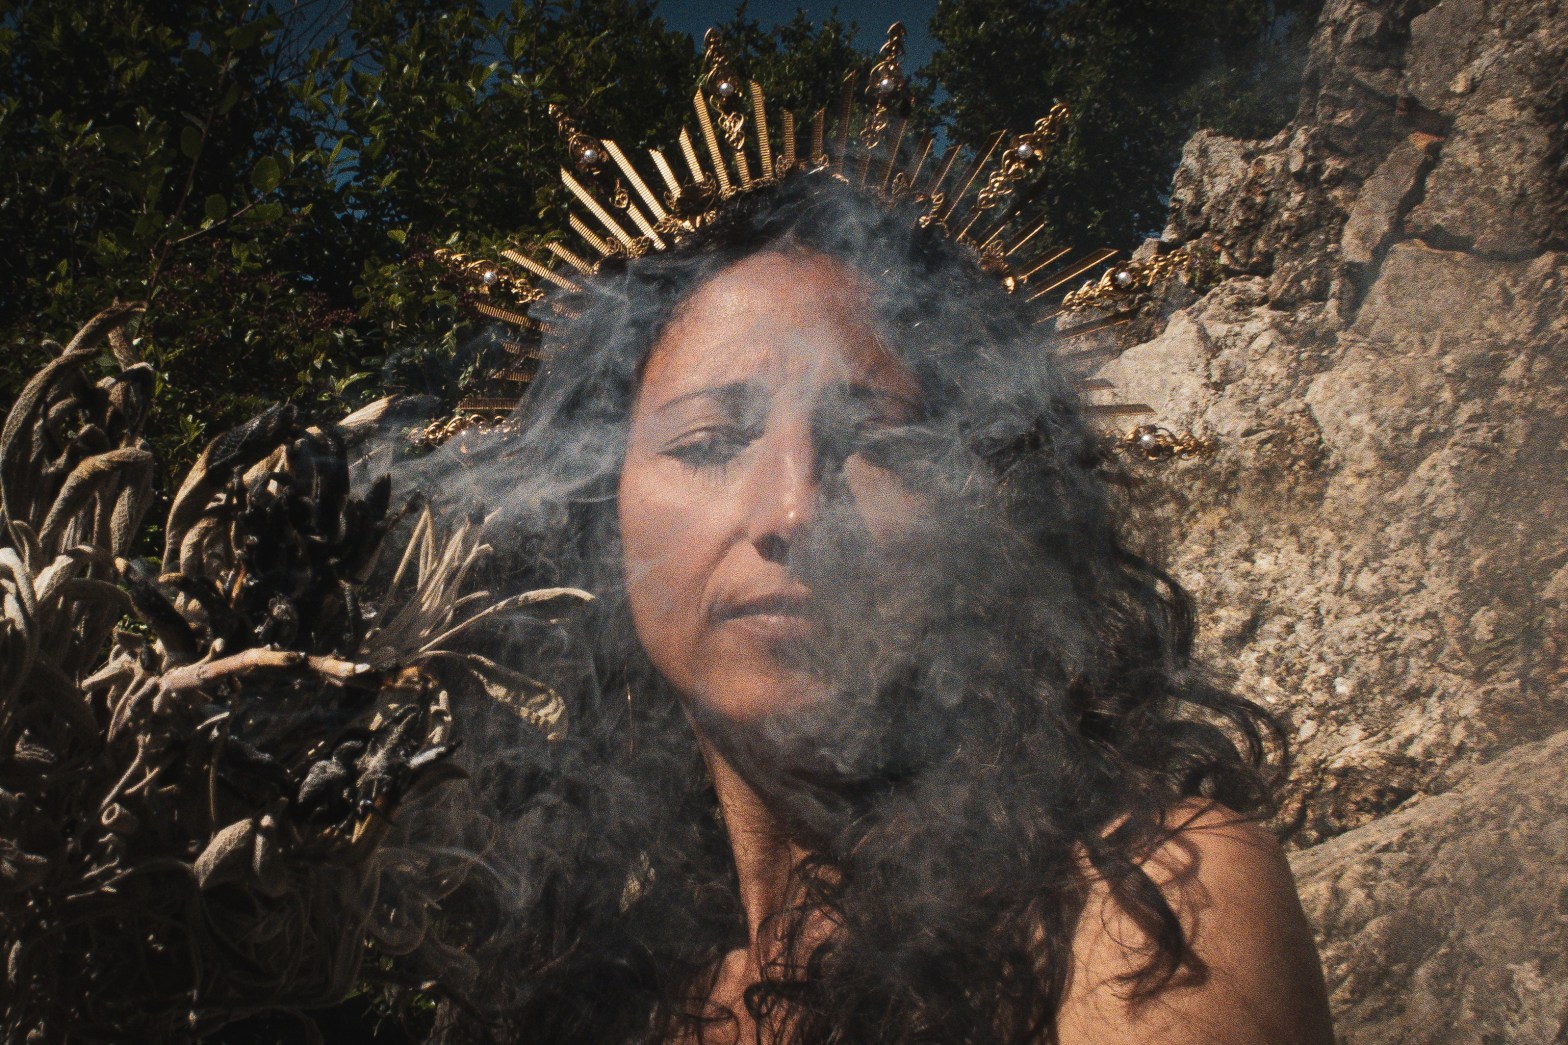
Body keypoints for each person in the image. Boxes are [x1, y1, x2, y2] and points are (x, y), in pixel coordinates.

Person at [399, 169, 1334, 1044]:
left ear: (982, 508)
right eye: (710, 440)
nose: (793, 508)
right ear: (604, 525)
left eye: (873, 438)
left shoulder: (1148, 905)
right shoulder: (605, 999)